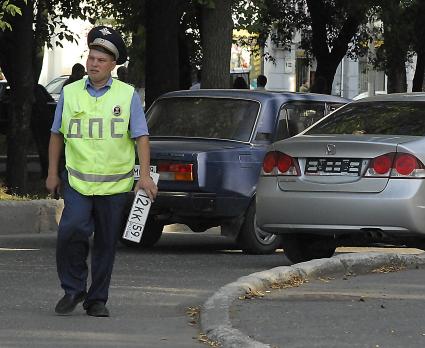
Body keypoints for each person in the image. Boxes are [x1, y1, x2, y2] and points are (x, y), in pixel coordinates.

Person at [46, 25, 158, 317]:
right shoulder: (70, 93)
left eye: (101, 60)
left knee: (106, 244)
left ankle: (97, 300)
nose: (93, 63)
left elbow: (141, 137)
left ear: (113, 65)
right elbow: (56, 134)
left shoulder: (127, 95)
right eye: (91, 57)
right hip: (78, 182)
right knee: (70, 232)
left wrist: (144, 176)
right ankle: (73, 288)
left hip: (115, 186)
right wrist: (52, 173)